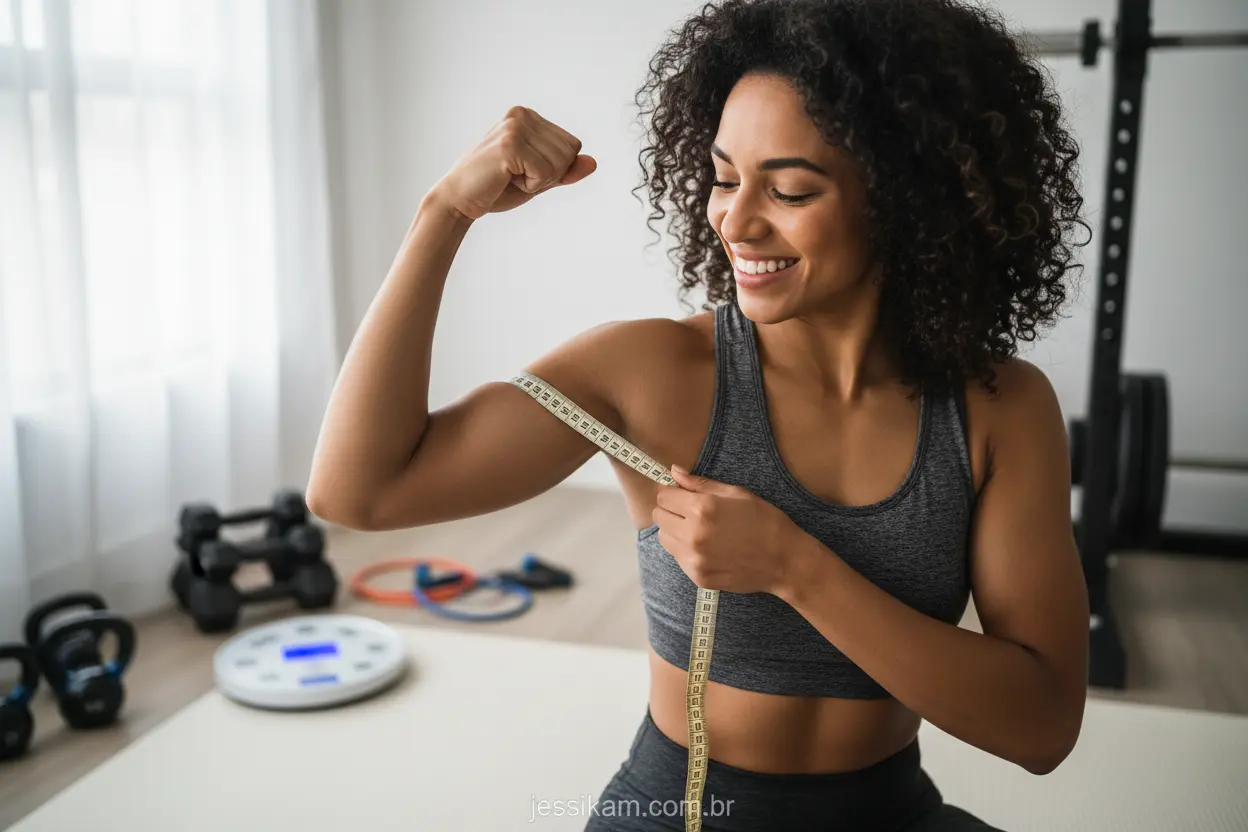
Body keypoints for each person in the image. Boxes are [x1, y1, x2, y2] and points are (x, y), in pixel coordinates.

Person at [307, 0, 1092, 828]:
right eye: (723, 177)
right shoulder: (655, 373)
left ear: (907, 197)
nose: (735, 219)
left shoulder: (999, 409)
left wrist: (798, 570)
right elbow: (359, 491)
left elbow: (1042, 724)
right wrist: (444, 214)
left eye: (789, 189)